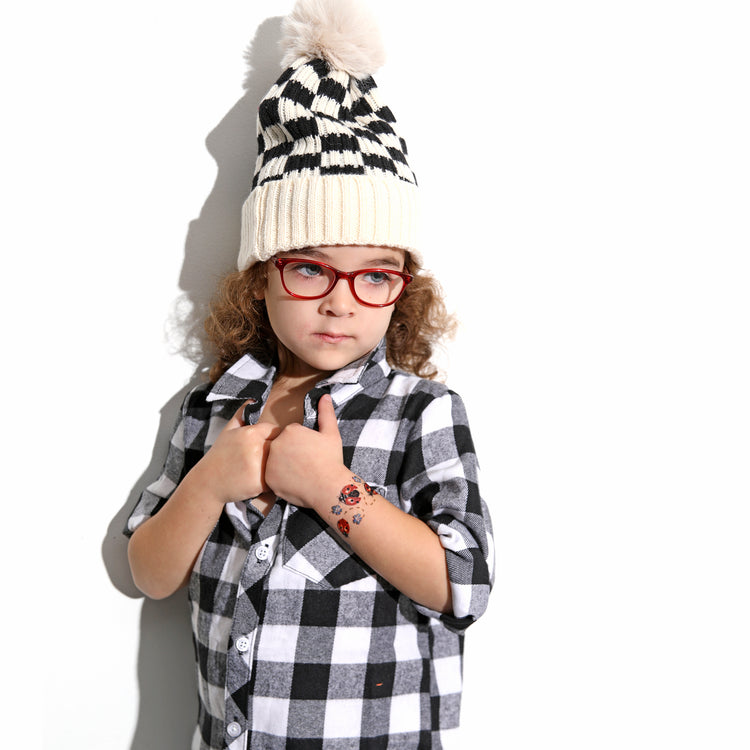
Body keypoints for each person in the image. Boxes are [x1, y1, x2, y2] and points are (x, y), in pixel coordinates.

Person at [126, 0, 494, 747]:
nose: (339, 301)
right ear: (261, 276)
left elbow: (463, 586)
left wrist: (333, 489)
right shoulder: (213, 406)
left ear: (403, 291)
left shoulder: (421, 412)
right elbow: (151, 573)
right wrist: (211, 481)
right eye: (309, 268)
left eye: (375, 275)